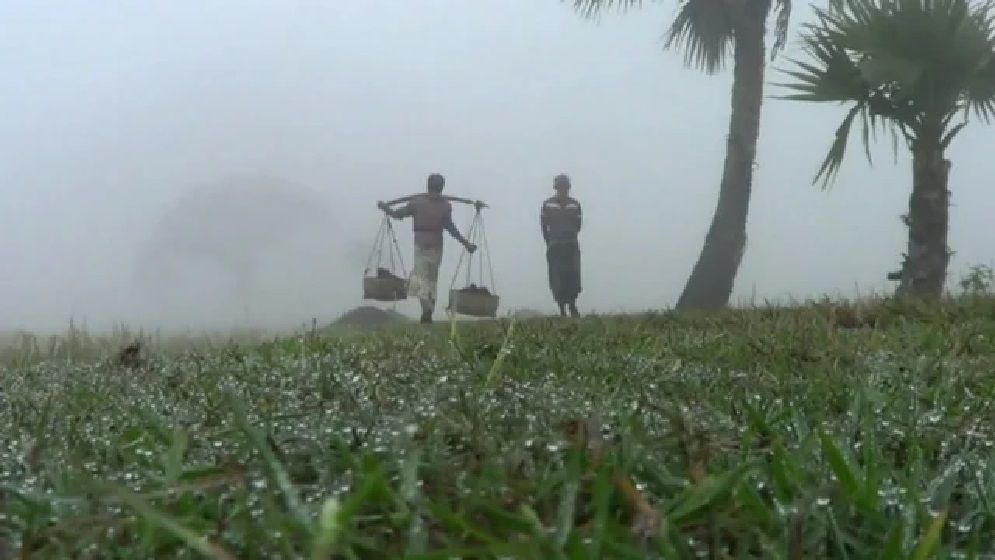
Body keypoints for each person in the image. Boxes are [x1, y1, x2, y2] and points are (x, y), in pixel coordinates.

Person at [378, 173, 477, 324]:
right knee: (428, 281)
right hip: (432, 247)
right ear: (441, 187)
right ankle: (428, 311)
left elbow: (397, 214)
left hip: (426, 247)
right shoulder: (435, 204)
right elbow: (450, 228)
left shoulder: (424, 203)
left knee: (425, 281)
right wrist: (466, 243)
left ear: (428, 186)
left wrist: (385, 208)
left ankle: (427, 311)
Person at [541, 174, 582, 318]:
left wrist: (570, 235)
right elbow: (544, 225)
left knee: (573, 275)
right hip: (555, 245)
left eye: (565, 187)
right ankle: (562, 309)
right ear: (556, 188)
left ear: (568, 188)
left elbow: (578, 225)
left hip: (571, 244)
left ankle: (572, 305)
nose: (562, 190)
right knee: (557, 277)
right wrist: (550, 241)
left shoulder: (575, 204)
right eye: (560, 187)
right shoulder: (548, 205)